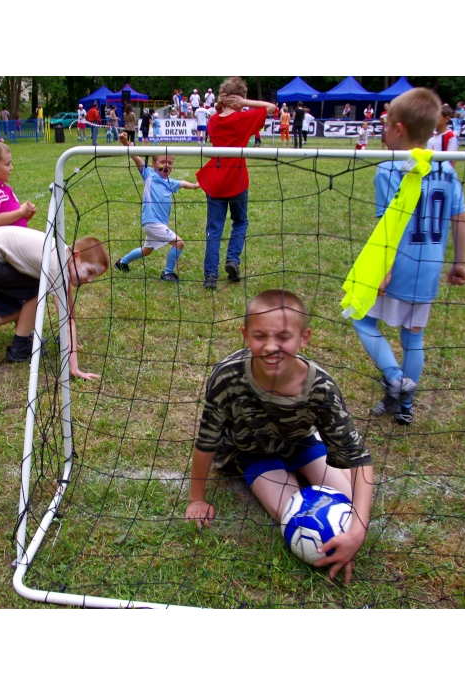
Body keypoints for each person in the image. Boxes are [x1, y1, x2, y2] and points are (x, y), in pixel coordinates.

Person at [186, 289, 373, 584]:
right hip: (251, 452)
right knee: (293, 520)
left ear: (304, 338)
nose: (272, 346)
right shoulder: (227, 377)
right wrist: (196, 499)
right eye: (260, 336)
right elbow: (206, 442)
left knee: (348, 507)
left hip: (300, 442)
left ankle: (313, 460)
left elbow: (359, 459)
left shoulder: (321, 387)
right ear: (245, 336)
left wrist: (358, 529)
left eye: (284, 337)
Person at [351, 87, 465, 426]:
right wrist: (459, 262)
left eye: (386, 125)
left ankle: (393, 377)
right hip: (430, 269)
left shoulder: (390, 169)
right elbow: (460, 216)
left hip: (398, 263)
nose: (383, 131)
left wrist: (384, 268)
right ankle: (405, 406)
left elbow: (389, 225)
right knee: (413, 337)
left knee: (361, 319)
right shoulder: (445, 169)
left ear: (397, 129)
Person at [0, 140, 110, 375]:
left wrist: (71, 340)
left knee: (11, 305)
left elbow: (69, 309)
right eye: (89, 271)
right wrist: (74, 367)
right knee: (32, 293)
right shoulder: (55, 261)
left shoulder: (62, 255)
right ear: (76, 255)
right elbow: (66, 318)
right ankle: (20, 347)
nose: (89, 280)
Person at [196, 77, 278, 290]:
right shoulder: (244, 118)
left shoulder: (214, 121)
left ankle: (210, 275)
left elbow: (217, 115)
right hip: (237, 180)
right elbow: (271, 107)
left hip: (216, 180)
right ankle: (232, 260)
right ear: (240, 97)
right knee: (240, 222)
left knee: (214, 230)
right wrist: (246, 103)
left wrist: (224, 104)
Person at [112, 132, 200, 283]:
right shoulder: (149, 175)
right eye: (162, 162)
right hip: (152, 222)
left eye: (170, 163)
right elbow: (135, 157)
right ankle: (167, 273)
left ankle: (122, 263)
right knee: (179, 243)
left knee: (146, 251)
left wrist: (197, 185)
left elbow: (184, 183)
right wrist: (126, 143)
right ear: (153, 164)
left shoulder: (170, 182)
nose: (166, 165)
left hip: (157, 224)